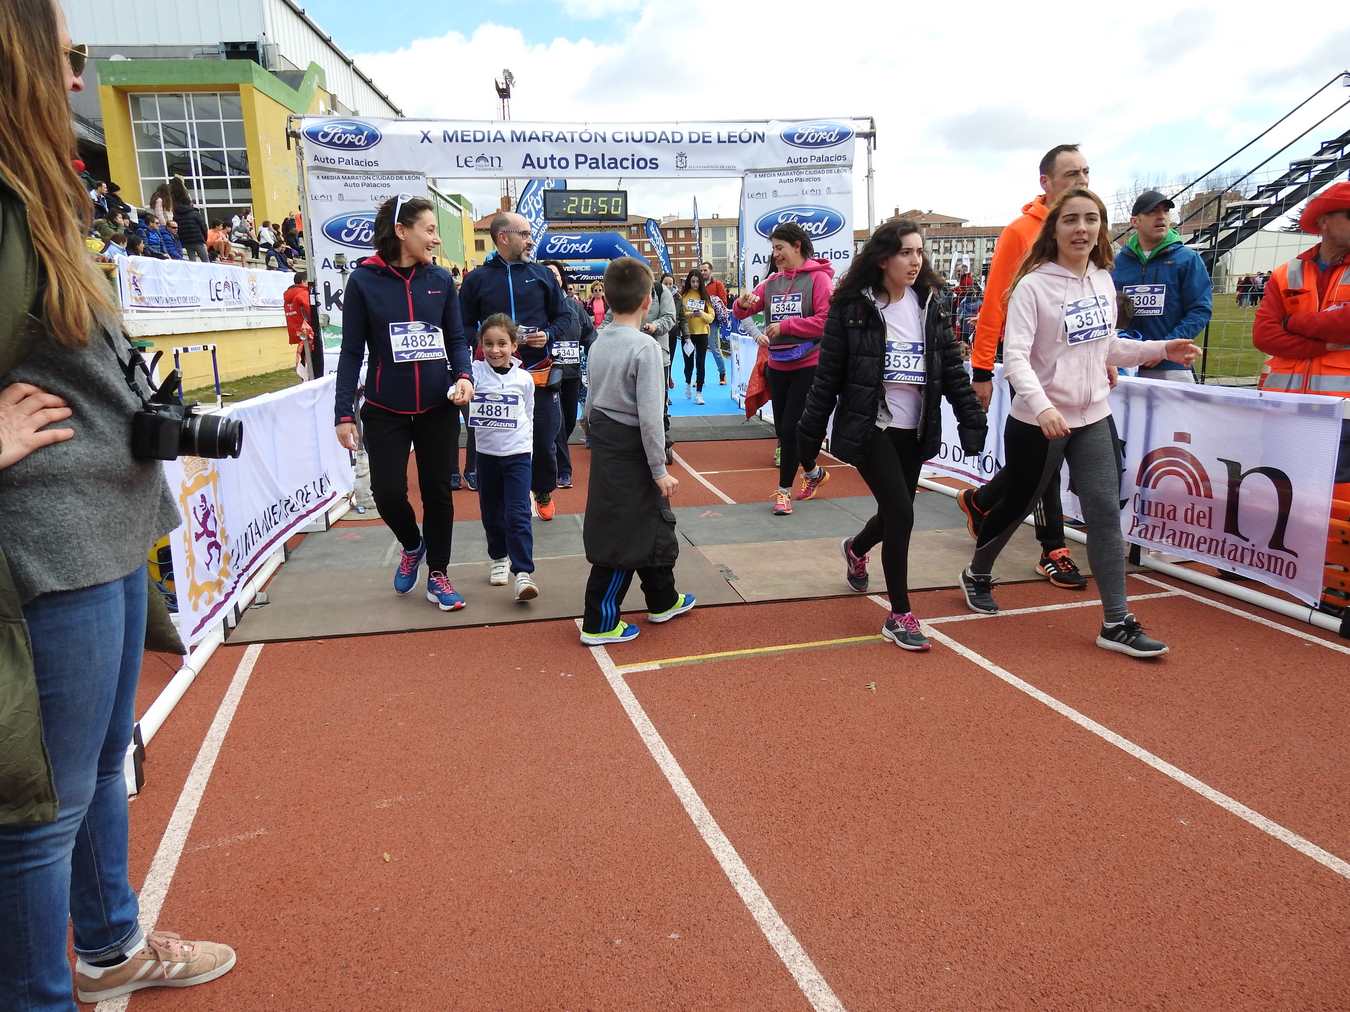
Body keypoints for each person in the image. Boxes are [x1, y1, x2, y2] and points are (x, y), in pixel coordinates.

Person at [1, 2, 237, 1005]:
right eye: (63, 62)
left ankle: (107, 947)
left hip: (98, 533)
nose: (78, 84)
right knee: (37, 815)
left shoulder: (37, 196)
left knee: (102, 766)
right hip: (47, 550)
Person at [957, 189, 1200, 657]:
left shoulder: (1102, 280)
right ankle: (978, 571)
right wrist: (1042, 406)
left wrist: (1161, 349)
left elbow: (1108, 347)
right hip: (1037, 421)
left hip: (1092, 417)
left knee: (1106, 512)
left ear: (1102, 229)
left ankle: (1116, 621)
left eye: (1092, 219)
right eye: (1071, 219)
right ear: (1055, 229)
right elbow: (1017, 358)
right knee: (1016, 506)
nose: (1082, 229)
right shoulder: (1033, 286)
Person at [799, 220, 987, 649]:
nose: (916, 260)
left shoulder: (930, 304)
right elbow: (827, 377)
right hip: (870, 426)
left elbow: (953, 372)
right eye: (906, 252)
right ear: (883, 258)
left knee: (893, 510)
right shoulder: (853, 308)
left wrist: (971, 420)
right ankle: (899, 613)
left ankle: (856, 547)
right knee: (902, 513)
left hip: (915, 428)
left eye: (920, 252)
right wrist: (807, 437)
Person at [334, 194, 474, 611]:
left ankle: (439, 574)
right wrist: (344, 413)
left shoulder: (441, 281)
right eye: (429, 230)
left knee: (438, 493)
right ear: (401, 231)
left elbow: (456, 339)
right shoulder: (364, 281)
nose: (434, 240)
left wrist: (464, 376)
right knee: (388, 491)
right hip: (385, 407)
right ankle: (412, 544)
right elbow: (350, 351)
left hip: (437, 405)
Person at [962, 143, 1092, 589]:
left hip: (1080, 373)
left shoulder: (1088, 232)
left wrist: (1103, 356)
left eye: (1086, 173)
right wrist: (982, 369)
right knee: (1045, 465)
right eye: (1072, 174)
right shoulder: (1021, 232)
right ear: (1046, 182)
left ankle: (982, 500)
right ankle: (1053, 547)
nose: (1082, 182)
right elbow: (995, 300)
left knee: (1040, 464)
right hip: (1031, 371)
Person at [579, 256, 695, 644]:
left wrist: (592, 432)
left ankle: (662, 598)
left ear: (607, 299)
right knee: (622, 531)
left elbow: (590, 401)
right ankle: (599, 620)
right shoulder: (645, 348)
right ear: (648, 301)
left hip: (609, 440)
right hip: (633, 448)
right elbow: (650, 417)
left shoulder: (598, 341)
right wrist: (659, 467)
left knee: (653, 522)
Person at [1253, 180, 1350, 566]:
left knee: (1337, 489)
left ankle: (1330, 569)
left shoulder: (1284, 276)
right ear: (1325, 222)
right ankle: (1272, 557)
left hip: (1340, 407)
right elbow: (1264, 334)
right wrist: (1323, 340)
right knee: (1280, 480)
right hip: (1287, 403)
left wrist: (1295, 322)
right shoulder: (1285, 273)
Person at [458, 211, 577, 521]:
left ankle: (543, 489)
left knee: (543, 438)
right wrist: (486, 343)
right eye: (524, 233)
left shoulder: (541, 275)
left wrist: (546, 335)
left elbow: (565, 318)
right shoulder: (478, 279)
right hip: (492, 378)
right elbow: (462, 325)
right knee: (491, 440)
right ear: (503, 237)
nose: (530, 239)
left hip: (538, 374)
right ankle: (497, 499)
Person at [733, 221, 835, 515]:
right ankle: (814, 473)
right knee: (784, 429)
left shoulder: (819, 280)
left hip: (808, 364)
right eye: (773, 248)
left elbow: (827, 321)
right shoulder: (772, 282)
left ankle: (783, 492)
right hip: (777, 365)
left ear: (797, 247)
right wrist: (741, 304)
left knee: (791, 428)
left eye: (780, 248)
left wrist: (788, 325)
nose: (775, 254)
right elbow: (743, 311)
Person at [469, 314, 539, 601]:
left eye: (502, 344)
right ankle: (499, 557)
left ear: (513, 345)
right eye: (488, 344)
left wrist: (528, 447)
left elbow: (530, 412)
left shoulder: (523, 378)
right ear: (481, 345)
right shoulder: (473, 373)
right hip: (487, 454)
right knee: (491, 510)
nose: (495, 350)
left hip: (518, 453)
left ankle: (523, 573)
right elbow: (458, 391)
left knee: (518, 511)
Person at [1111, 190, 1212, 382]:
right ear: (1135, 221)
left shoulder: (1187, 260)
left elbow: (1200, 310)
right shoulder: (1117, 264)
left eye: (1165, 211)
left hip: (1171, 367)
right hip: (1125, 367)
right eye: (1151, 212)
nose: (1161, 217)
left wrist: (1164, 348)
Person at [542, 260, 597, 489]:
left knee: (567, 421)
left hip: (572, 373)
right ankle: (563, 470)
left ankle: (553, 455)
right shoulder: (537, 308)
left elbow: (590, 335)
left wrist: (593, 358)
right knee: (558, 421)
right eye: (547, 274)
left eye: (555, 274)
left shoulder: (575, 307)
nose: (552, 277)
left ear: (562, 279)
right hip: (546, 375)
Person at [678, 269, 716, 404]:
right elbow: (680, 315)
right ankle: (688, 383)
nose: (695, 284)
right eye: (692, 281)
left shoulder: (705, 297)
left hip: (702, 334)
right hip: (687, 334)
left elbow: (711, 317)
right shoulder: (683, 296)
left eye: (697, 281)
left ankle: (699, 393)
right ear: (689, 281)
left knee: (701, 364)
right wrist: (690, 314)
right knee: (688, 364)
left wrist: (702, 314)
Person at [283, 271, 321, 379]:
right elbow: (312, 313)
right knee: (313, 365)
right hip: (310, 334)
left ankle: (305, 380)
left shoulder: (288, 296)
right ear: (304, 281)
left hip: (297, 333)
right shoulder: (303, 293)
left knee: (305, 361)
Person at [699, 261, 729, 385]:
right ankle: (699, 378)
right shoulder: (697, 285)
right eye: (701, 270)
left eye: (705, 270)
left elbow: (724, 303)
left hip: (713, 321)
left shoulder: (718, 284)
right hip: (699, 321)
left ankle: (722, 374)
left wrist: (711, 303)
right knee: (699, 350)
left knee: (714, 347)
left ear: (711, 271)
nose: (703, 272)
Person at [168, 176, 209, 263]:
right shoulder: (194, 213)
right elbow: (203, 226)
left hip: (186, 241)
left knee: (192, 263)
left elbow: (178, 229)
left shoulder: (176, 214)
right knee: (206, 261)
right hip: (198, 239)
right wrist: (204, 238)